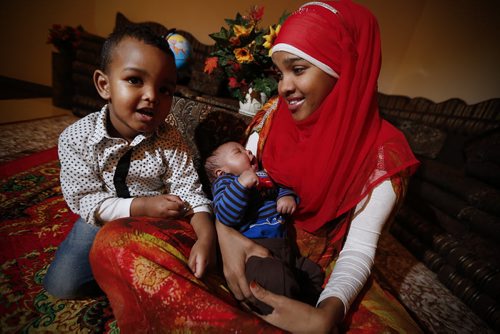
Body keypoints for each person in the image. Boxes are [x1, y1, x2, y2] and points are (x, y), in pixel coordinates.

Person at [89, 1, 422, 332]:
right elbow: (233, 183)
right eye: (281, 73)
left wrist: (326, 315)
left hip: (315, 271)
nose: (283, 86)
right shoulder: (276, 114)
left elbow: (359, 251)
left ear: (343, 66)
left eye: (298, 69)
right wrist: (226, 234)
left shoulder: (385, 155)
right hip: (243, 233)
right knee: (115, 242)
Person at [43, 24, 215, 299]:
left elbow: (189, 191)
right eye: (135, 80)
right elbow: (88, 201)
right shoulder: (75, 139)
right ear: (104, 85)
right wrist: (142, 205)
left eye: (165, 89)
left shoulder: (170, 138)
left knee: (195, 270)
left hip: (158, 221)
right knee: (62, 285)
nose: (152, 96)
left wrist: (207, 239)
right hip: (101, 220)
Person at [205, 141, 324, 314]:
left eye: (246, 149)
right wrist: (240, 185)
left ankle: (306, 307)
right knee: (275, 278)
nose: (249, 152)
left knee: (314, 274)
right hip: (256, 250)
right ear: (221, 172)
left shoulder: (264, 175)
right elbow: (225, 215)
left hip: (286, 249)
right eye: (238, 152)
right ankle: (285, 314)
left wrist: (287, 197)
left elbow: (281, 186)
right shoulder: (225, 183)